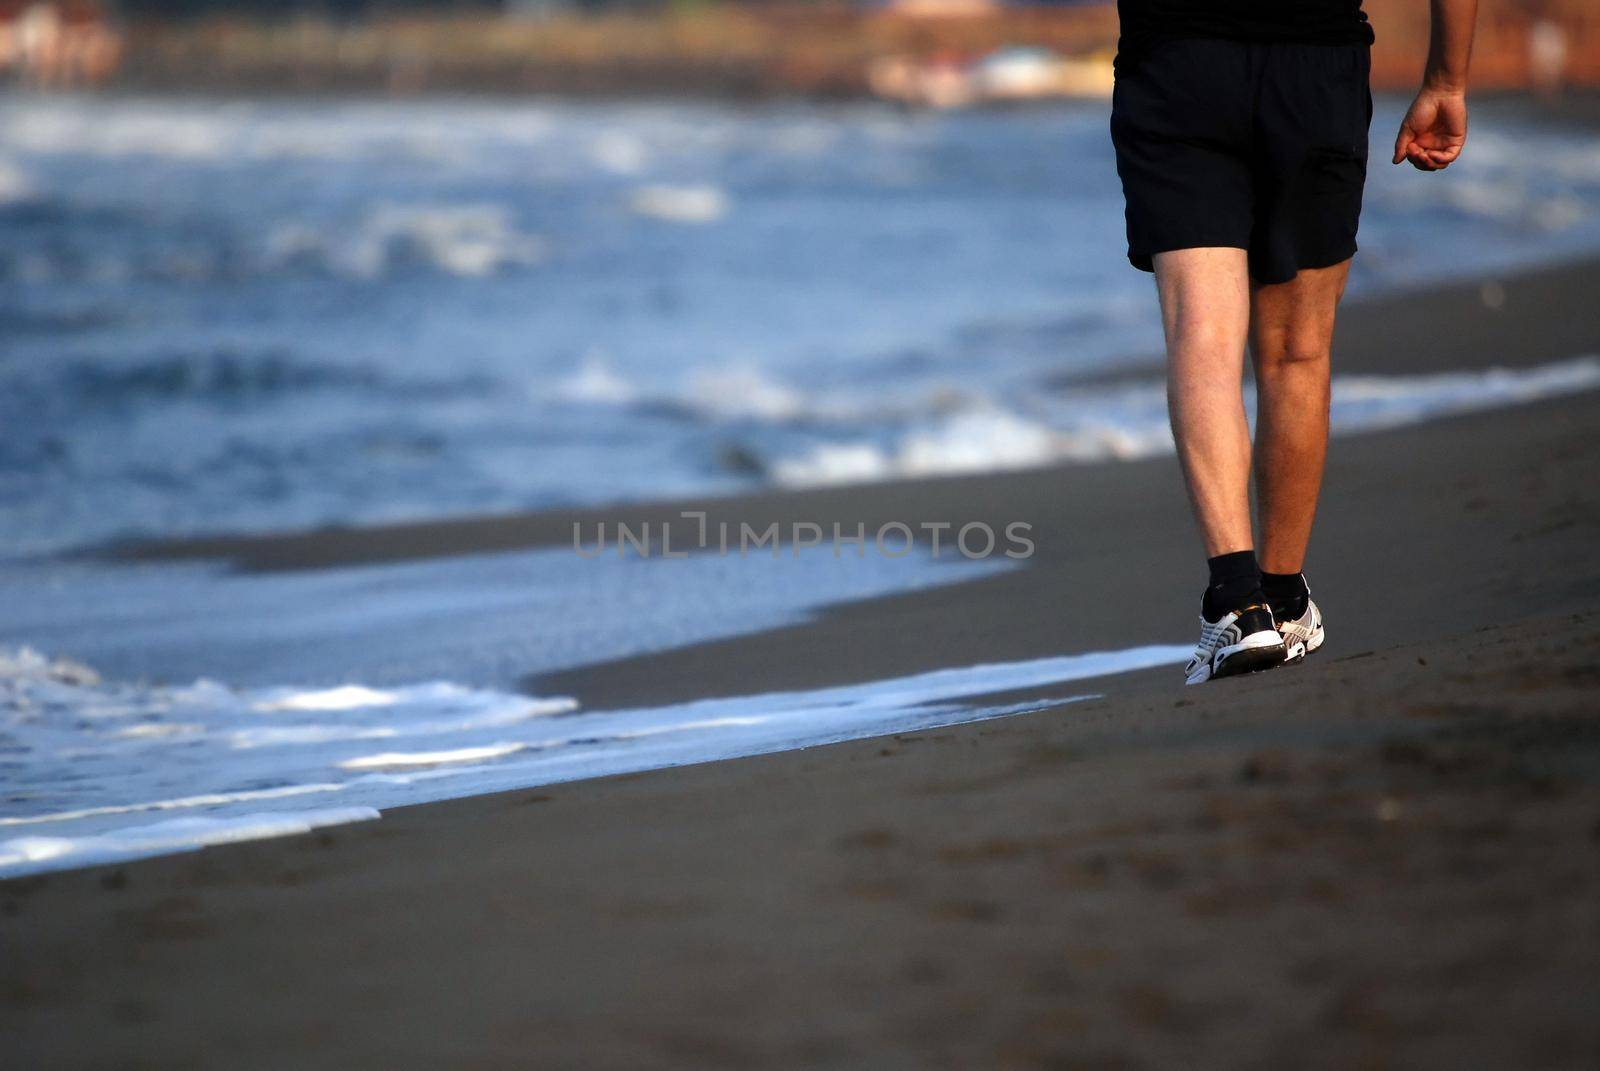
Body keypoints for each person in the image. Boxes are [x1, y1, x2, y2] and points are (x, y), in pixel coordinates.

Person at [1108, 0, 1477, 684]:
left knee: (1203, 334)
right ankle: (1280, 599)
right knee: (1297, 349)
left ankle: (1237, 604)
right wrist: (1446, 79)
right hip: (1316, 60)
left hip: (1177, 60)